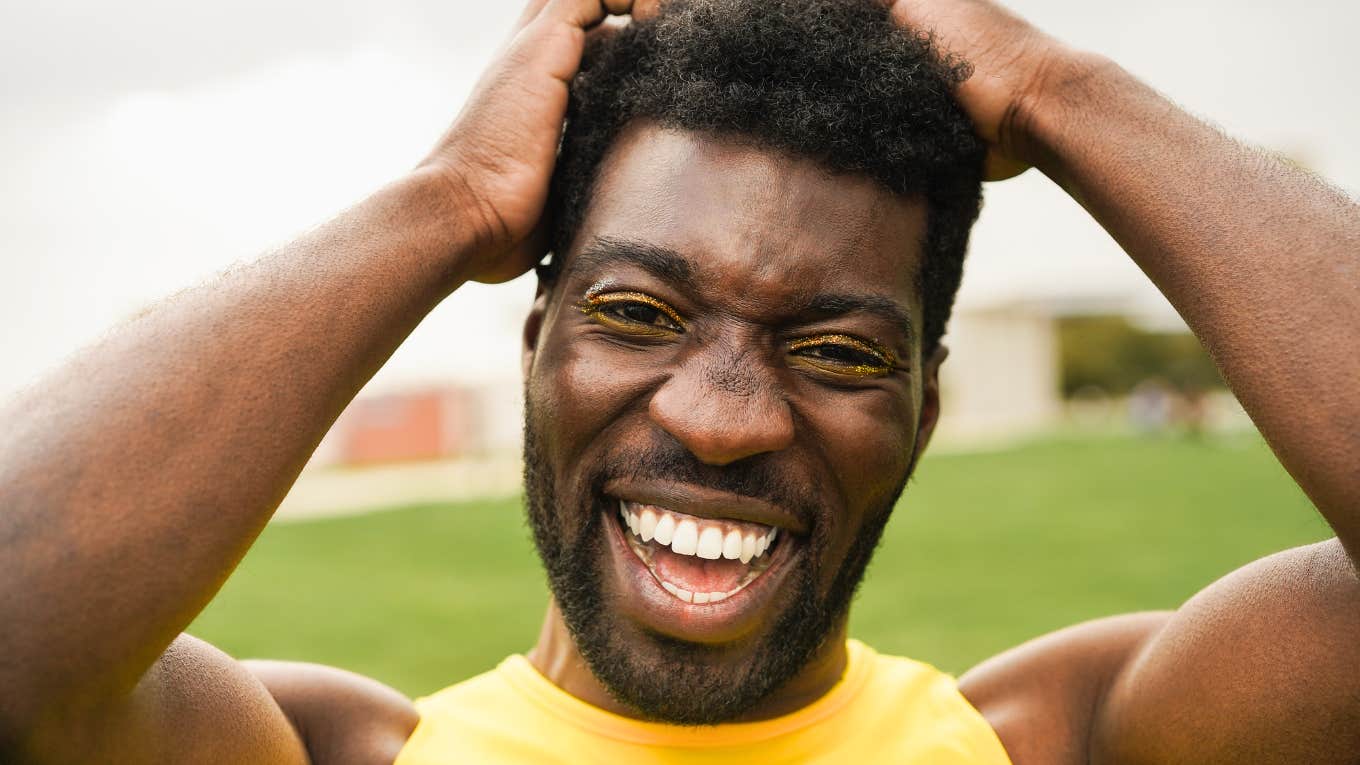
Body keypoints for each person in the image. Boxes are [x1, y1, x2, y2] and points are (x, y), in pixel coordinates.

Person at [2, 0, 1357, 762]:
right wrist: (449, 201)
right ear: (535, 347)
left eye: (834, 349)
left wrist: (1059, 89)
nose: (719, 417)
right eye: (638, 312)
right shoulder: (343, 754)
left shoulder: (1053, 745)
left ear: (922, 412)